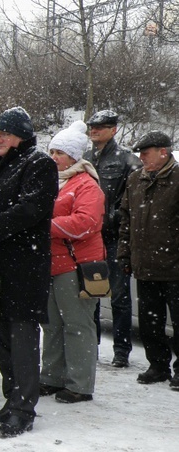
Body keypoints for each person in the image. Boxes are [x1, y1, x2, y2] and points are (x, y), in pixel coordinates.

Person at [0, 107, 58, 437]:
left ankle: (24, 408)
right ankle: (11, 401)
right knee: (3, 342)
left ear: (22, 137)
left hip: (25, 266)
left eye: (5, 134)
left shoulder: (39, 164)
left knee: (23, 341)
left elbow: (30, 210)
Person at [40, 121, 105, 403]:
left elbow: (86, 222)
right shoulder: (53, 181)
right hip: (53, 264)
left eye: (61, 153)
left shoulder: (87, 185)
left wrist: (44, 225)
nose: (54, 157)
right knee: (52, 324)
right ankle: (52, 377)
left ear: (75, 156)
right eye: (52, 151)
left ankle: (80, 384)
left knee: (79, 325)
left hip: (81, 267)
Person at [118, 131, 179, 390]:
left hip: (175, 267)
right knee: (149, 322)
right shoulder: (135, 180)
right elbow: (125, 219)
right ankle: (158, 365)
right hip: (144, 265)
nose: (141, 157)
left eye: (146, 152)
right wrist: (124, 254)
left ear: (163, 152)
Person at [84, 110, 140, 368]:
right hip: (88, 238)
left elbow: (136, 200)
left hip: (114, 238)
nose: (94, 131)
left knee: (119, 296)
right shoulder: (85, 159)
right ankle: (90, 346)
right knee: (90, 295)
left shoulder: (127, 160)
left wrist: (114, 217)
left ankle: (121, 351)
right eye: (92, 127)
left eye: (100, 127)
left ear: (113, 129)